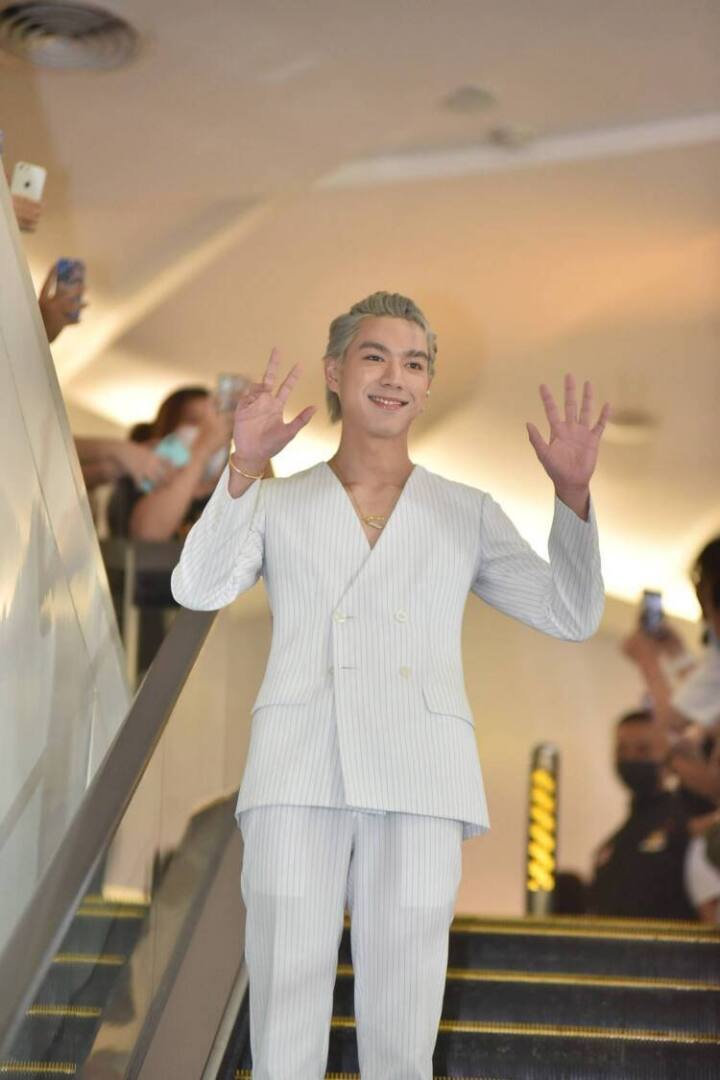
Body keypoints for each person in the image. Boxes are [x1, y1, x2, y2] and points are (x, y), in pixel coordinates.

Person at [170, 291, 607, 1079]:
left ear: (428, 385)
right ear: (336, 372)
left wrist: (572, 498)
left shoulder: (465, 511)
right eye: (374, 357)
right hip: (298, 766)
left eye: (414, 363)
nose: (394, 377)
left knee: (404, 1023)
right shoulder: (275, 500)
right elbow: (198, 587)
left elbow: (570, 614)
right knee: (284, 1006)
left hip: (423, 775)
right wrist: (242, 464)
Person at [588, 709, 697, 921]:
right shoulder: (615, 842)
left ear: (667, 754)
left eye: (643, 750)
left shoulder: (686, 823)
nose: (630, 758)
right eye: (622, 749)